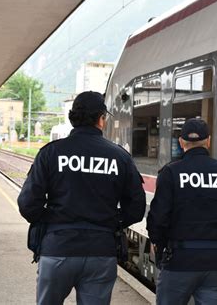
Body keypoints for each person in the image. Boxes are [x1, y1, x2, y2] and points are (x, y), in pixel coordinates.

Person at [18, 91, 146, 305]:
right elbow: (136, 208)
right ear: (101, 119)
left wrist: (52, 220)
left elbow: (28, 204)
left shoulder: (51, 153)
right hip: (101, 251)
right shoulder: (120, 157)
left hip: (58, 249)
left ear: (72, 118)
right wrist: (112, 221)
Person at [147, 118, 217, 305]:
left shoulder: (171, 173)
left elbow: (158, 220)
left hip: (180, 261)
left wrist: (159, 243)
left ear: (181, 143)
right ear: (208, 141)